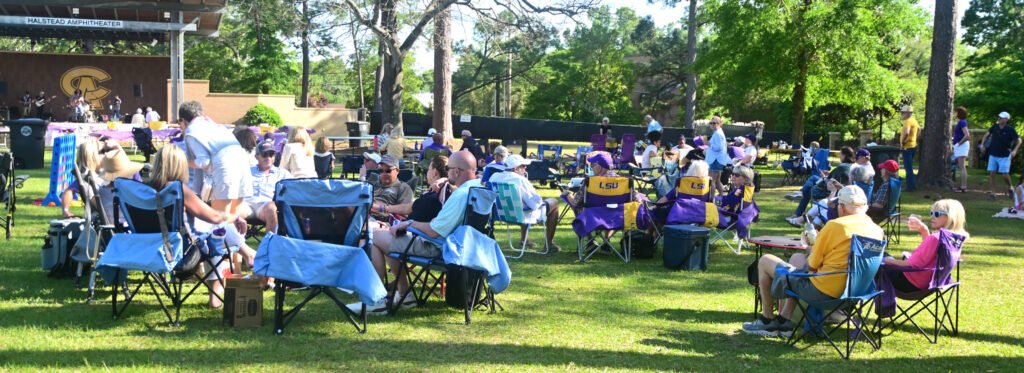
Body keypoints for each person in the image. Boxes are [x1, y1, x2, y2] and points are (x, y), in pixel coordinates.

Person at [742, 186, 883, 337]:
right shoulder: (876, 230)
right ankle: (784, 321)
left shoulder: (836, 226)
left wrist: (812, 246)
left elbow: (811, 265)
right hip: (855, 294)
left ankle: (767, 320)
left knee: (764, 261)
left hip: (824, 293)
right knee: (796, 261)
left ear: (842, 207)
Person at [351, 150, 482, 313]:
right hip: (463, 250)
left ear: (456, 171)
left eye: (449, 169)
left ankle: (377, 300)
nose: (447, 172)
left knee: (373, 236)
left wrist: (409, 224)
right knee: (389, 235)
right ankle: (405, 296)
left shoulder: (460, 196)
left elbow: (434, 231)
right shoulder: (477, 190)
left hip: (437, 248)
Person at [147, 145, 256, 308]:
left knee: (212, 232)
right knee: (217, 231)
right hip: (179, 249)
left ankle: (247, 255)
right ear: (180, 166)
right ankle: (248, 255)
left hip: (150, 247)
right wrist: (236, 217)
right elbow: (213, 216)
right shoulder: (179, 190)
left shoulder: (145, 190)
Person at [179, 100, 252, 215]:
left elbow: (203, 162)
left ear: (183, 120)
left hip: (225, 167)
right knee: (235, 217)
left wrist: (182, 162)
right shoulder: (214, 125)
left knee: (221, 220)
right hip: (241, 162)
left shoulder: (191, 131)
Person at [883, 199, 968, 292]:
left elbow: (910, 264)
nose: (932, 217)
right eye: (931, 213)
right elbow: (929, 256)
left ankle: (883, 304)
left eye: (937, 214)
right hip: (929, 283)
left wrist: (884, 260)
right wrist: (924, 231)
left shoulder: (935, 238)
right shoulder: (952, 240)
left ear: (950, 217)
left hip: (908, 283)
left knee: (874, 261)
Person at [490, 154, 562, 253]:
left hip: (501, 215)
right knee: (554, 202)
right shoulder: (521, 180)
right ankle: (549, 244)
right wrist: (539, 200)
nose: (525, 168)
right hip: (521, 216)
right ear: (516, 169)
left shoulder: (494, 177)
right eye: (523, 166)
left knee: (520, 204)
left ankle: (524, 239)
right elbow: (535, 204)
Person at [786, 147, 856, 226]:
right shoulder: (852, 166)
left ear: (844, 155)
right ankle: (800, 199)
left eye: (840, 154)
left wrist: (824, 177)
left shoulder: (842, 167)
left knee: (808, 191)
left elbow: (831, 182)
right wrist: (828, 175)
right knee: (813, 180)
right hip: (838, 191)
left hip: (829, 191)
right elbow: (835, 178)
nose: (839, 156)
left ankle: (799, 207)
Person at [239, 140, 291, 234]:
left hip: (266, 205)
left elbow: (291, 192)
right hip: (246, 204)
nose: (268, 158)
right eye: (264, 154)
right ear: (256, 157)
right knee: (232, 210)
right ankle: (234, 246)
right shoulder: (246, 171)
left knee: (273, 208)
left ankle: (269, 246)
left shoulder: (283, 174)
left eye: (271, 154)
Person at [979, 112, 1021, 200]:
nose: (999, 118)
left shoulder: (1010, 129)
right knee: (992, 174)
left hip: (1005, 156)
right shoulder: (994, 127)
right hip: (993, 154)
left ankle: (1010, 188)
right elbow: (986, 135)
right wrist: (982, 145)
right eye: (999, 117)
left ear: (1006, 120)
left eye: (1001, 117)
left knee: (1005, 175)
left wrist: (1015, 150)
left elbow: (1019, 141)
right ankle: (993, 194)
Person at [369, 155, 414, 223]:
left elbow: (403, 213)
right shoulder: (372, 185)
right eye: (381, 171)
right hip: (363, 214)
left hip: (381, 221)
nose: (384, 174)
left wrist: (380, 208)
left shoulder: (403, 188)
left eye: (388, 171)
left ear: (397, 171)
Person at [706, 116, 731, 197]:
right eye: (711, 123)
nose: (712, 125)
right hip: (718, 160)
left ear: (719, 124)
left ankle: (711, 198)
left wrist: (709, 144)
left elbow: (719, 148)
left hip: (715, 160)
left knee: (712, 180)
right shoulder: (718, 132)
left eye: (714, 123)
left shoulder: (717, 134)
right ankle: (722, 196)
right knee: (717, 180)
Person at [900, 105, 920, 191]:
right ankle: (913, 185)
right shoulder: (914, 121)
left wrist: (903, 141)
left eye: (903, 112)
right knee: (910, 167)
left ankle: (910, 187)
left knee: (908, 168)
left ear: (908, 113)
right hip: (913, 145)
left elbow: (907, 132)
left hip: (907, 147)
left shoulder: (908, 121)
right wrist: (916, 139)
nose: (902, 114)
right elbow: (919, 130)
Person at [952, 107, 971, 193]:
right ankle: (962, 186)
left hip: (962, 145)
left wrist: (959, 143)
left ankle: (963, 186)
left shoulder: (962, 122)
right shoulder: (961, 122)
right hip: (960, 145)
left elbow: (967, 135)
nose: (954, 114)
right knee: (961, 167)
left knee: (962, 167)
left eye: (955, 112)